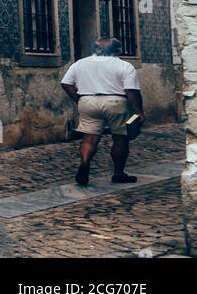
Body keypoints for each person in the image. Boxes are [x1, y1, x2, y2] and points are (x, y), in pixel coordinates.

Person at [60, 36, 144, 186]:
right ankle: (118, 173)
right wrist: (138, 111)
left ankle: (85, 163)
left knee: (89, 137)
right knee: (120, 138)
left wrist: (78, 98)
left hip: (87, 101)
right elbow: (131, 92)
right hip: (115, 102)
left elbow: (66, 83)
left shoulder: (80, 63)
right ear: (117, 50)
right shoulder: (124, 66)